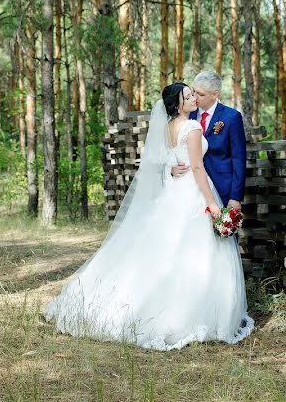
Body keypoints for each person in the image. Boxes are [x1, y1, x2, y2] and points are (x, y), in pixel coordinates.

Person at [44, 82, 254, 351]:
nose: (193, 99)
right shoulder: (192, 127)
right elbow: (198, 168)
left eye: (193, 95)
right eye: (188, 96)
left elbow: (165, 157)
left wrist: (172, 169)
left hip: (175, 191)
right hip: (194, 191)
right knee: (195, 250)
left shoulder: (168, 127)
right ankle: (190, 313)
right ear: (178, 104)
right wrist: (212, 205)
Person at [170, 71, 246, 212]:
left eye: (201, 94)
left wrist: (235, 196)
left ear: (215, 94)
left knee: (222, 231)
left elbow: (239, 159)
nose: (195, 97)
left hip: (221, 186)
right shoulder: (187, 114)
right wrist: (171, 168)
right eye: (194, 91)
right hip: (191, 186)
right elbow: (172, 147)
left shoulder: (231, 117)